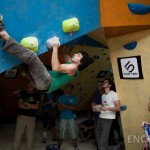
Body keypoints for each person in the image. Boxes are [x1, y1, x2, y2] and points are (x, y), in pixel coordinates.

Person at [0, 16, 93, 93]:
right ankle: (7, 44)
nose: (76, 54)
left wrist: (55, 47)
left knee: (32, 57)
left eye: (79, 55)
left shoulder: (73, 68)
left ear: (80, 63)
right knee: (24, 64)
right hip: (42, 85)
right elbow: (65, 52)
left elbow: (56, 68)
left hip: (47, 82)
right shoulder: (71, 65)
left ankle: (5, 36)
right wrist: (77, 36)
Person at [13, 82, 40, 150]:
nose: (31, 86)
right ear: (27, 85)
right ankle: (15, 148)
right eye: (29, 84)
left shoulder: (36, 95)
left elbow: (36, 107)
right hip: (21, 116)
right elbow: (20, 105)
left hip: (31, 118)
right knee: (18, 134)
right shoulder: (22, 93)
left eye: (32, 85)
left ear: (34, 86)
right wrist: (31, 106)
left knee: (30, 135)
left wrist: (25, 103)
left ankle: (29, 148)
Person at [96, 79, 120, 150]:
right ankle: (102, 148)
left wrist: (107, 108)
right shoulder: (103, 95)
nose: (103, 83)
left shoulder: (114, 94)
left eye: (105, 82)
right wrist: (98, 108)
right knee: (98, 135)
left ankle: (102, 148)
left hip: (108, 118)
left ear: (110, 85)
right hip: (101, 117)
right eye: (103, 82)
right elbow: (103, 106)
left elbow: (118, 108)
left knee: (104, 137)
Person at [57, 83, 79, 150]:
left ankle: (76, 146)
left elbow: (74, 108)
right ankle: (58, 147)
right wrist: (70, 107)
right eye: (67, 87)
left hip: (71, 118)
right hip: (63, 118)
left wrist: (65, 106)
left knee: (74, 133)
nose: (69, 88)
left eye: (70, 87)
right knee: (61, 134)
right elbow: (59, 108)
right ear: (65, 88)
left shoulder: (73, 97)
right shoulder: (61, 97)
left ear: (71, 89)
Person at [91, 81, 103, 149]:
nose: (99, 86)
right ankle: (98, 145)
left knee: (103, 132)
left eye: (100, 85)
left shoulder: (106, 94)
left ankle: (102, 145)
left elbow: (105, 106)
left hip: (105, 116)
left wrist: (97, 106)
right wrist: (99, 106)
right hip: (96, 116)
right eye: (98, 85)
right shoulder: (96, 94)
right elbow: (92, 105)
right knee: (96, 131)